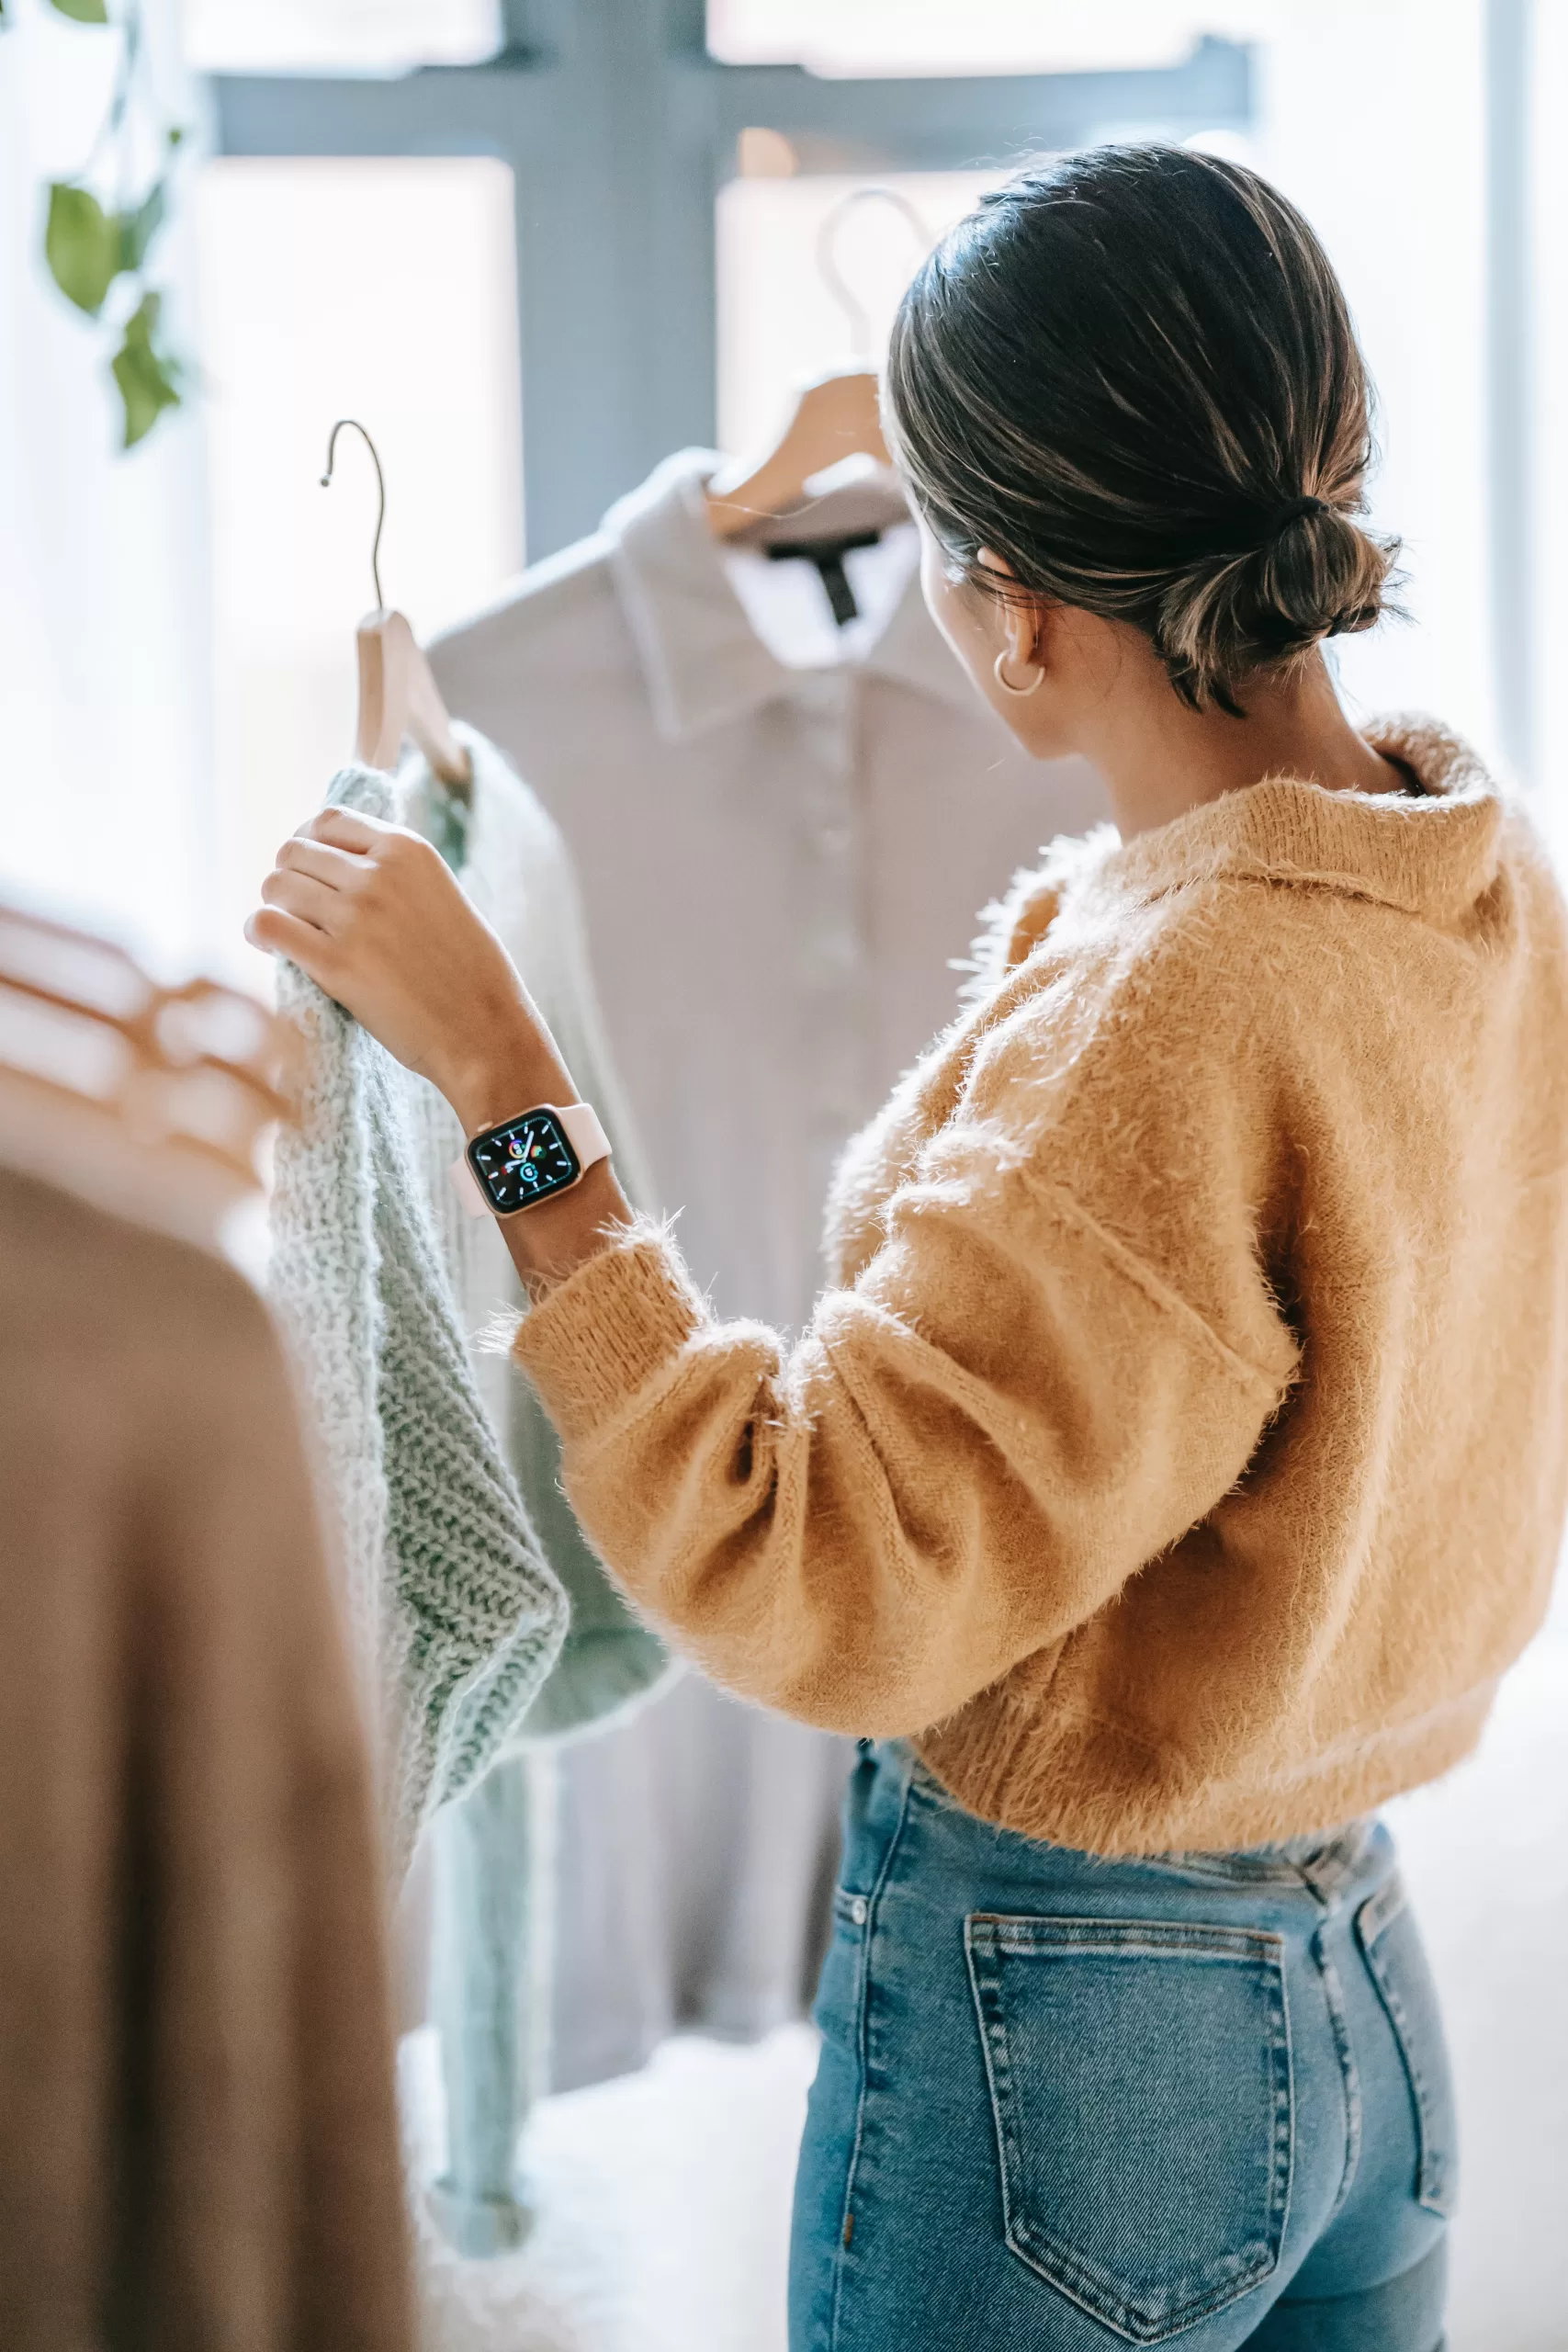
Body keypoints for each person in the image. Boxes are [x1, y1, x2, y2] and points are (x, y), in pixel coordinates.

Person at [250, 145, 1568, 2352]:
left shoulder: (1169, 1010)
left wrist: (503, 1067)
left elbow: (814, 1572)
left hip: (1087, 2042)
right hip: (1364, 1997)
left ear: (1003, 599)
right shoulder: (1486, 888)